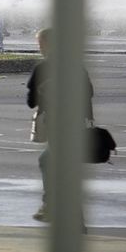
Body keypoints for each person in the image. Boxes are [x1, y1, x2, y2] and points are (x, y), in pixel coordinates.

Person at [27, 28, 94, 222]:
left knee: (53, 162)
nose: (39, 48)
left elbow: (31, 101)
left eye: (40, 44)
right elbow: (88, 92)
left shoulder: (43, 68)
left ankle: (53, 206)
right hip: (77, 122)